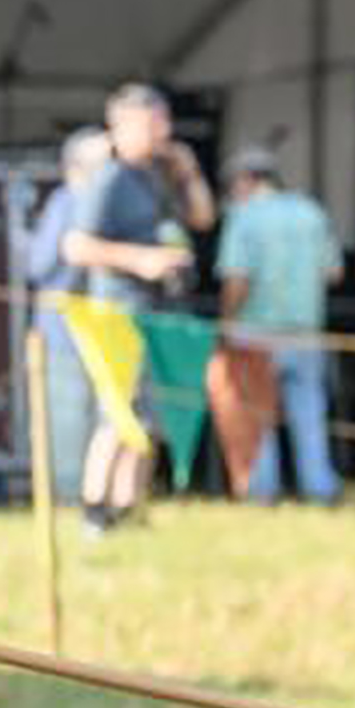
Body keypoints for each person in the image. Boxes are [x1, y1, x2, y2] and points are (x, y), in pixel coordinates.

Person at [61, 82, 216, 531]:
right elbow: (75, 246)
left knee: (150, 417)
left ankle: (128, 508)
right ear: (124, 124)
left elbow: (203, 218)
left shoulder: (158, 173)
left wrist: (187, 172)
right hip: (120, 309)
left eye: (166, 121)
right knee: (119, 413)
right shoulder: (109, 177)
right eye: (155, 121)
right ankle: (94, 510)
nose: (164, 130)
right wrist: (141, 260)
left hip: (159, 309)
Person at [215, 144, 344, 503]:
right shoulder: (310, 212)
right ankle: (320, 489)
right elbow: (333, 272)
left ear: (245, 181)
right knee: (310, 415)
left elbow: (237, 279)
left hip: (255, 332)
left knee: (258, 416)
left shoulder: (244, 217)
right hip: (306, 331)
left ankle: (262, 491)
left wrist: (225, 324)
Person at [22, 126, 112, 504]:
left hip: (92, 329)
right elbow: (40, 265)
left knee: (94, 421)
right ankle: (70, 501)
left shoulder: (81, 200)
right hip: (66, 331)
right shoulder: (67, 201)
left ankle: (90, 500)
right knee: (69, 421)